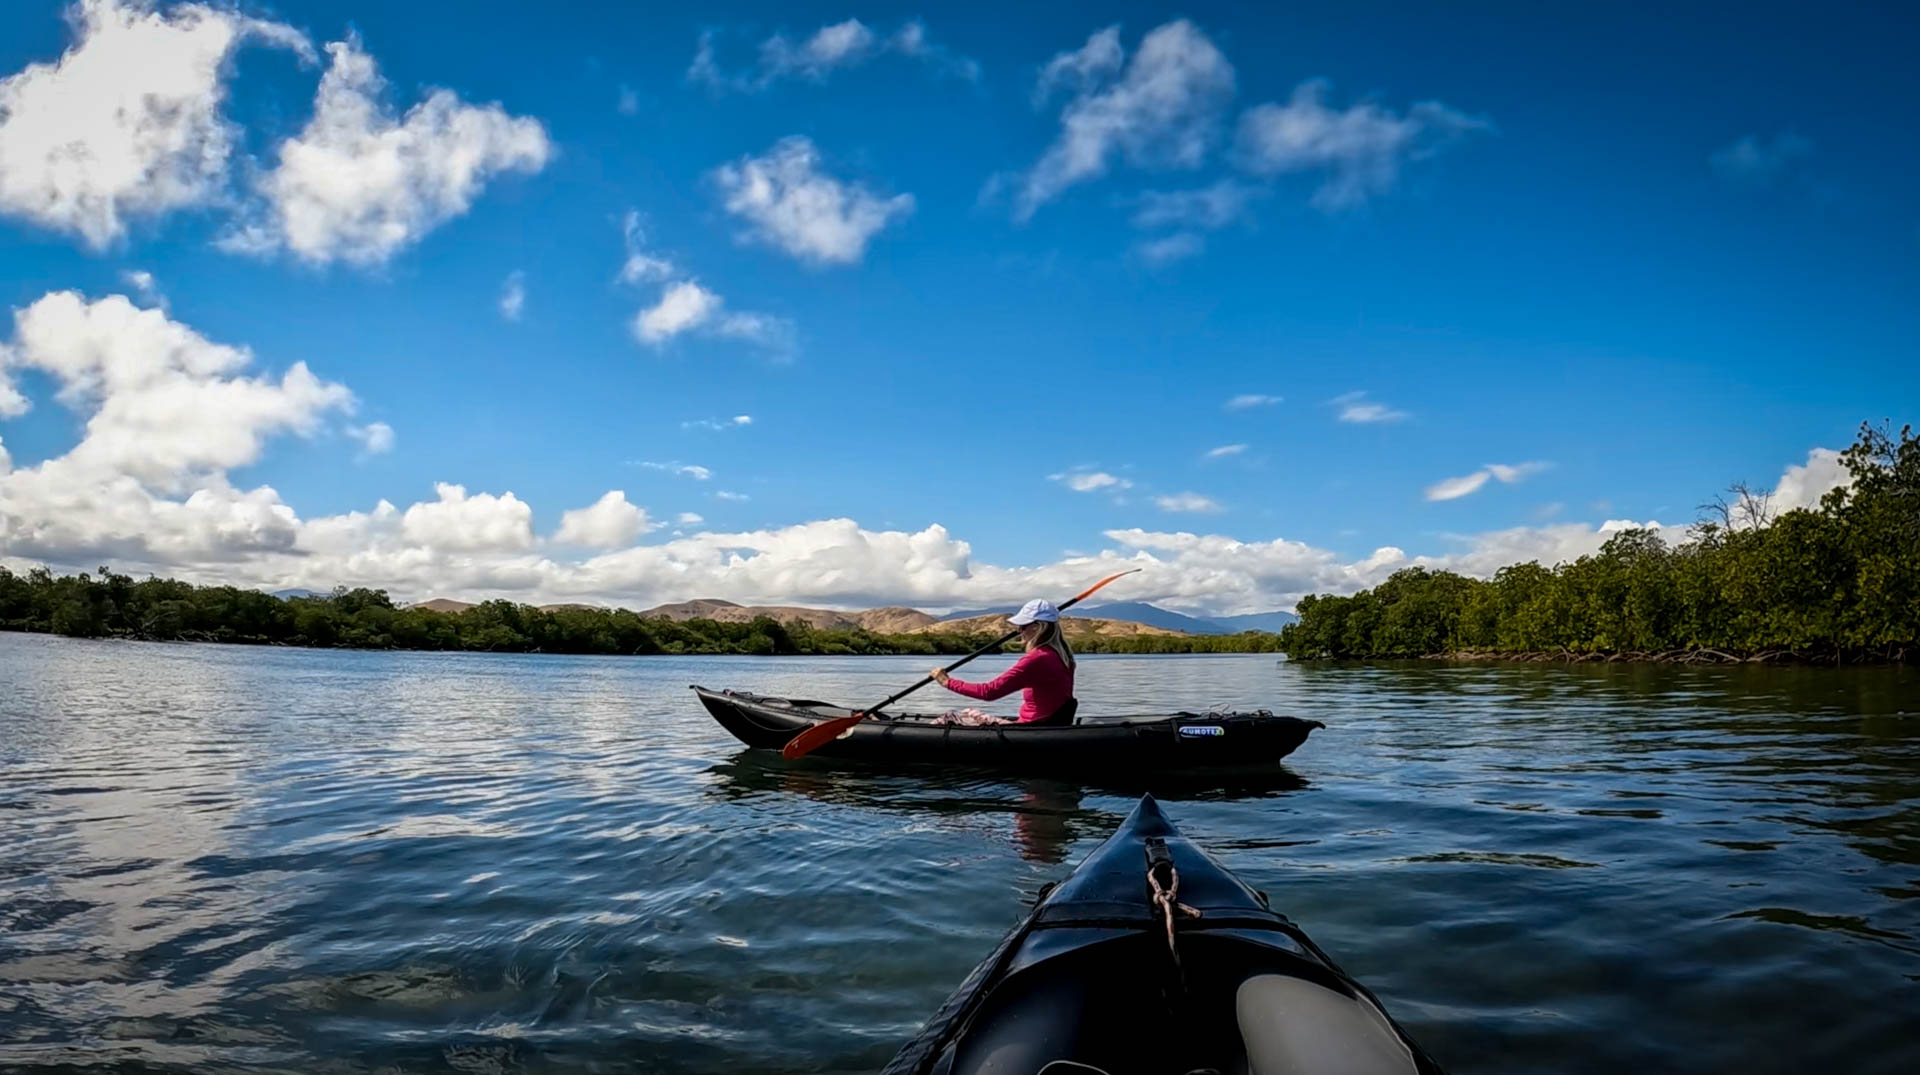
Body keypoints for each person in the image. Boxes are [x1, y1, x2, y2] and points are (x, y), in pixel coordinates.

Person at [932, 599, 1077, 725]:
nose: (1019, 631)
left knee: (949, 717)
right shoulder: (1064, 656)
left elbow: (989, 692)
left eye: (1023, 626)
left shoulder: (1037, 658)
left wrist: (947, 682)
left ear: (1038, 627)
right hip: (1048, 723)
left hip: (1032, 727)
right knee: (968, 713)